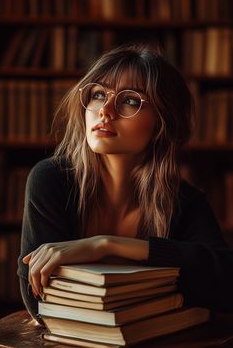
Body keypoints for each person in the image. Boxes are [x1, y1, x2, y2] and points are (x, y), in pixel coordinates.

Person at [18, 44, 233, 322]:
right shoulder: (51, 180)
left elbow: (227, 282)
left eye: (130, 100)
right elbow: (37, 298)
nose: (105, 111)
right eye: (98, 95)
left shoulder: (184, 201)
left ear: (161, 123)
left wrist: (107, 245)